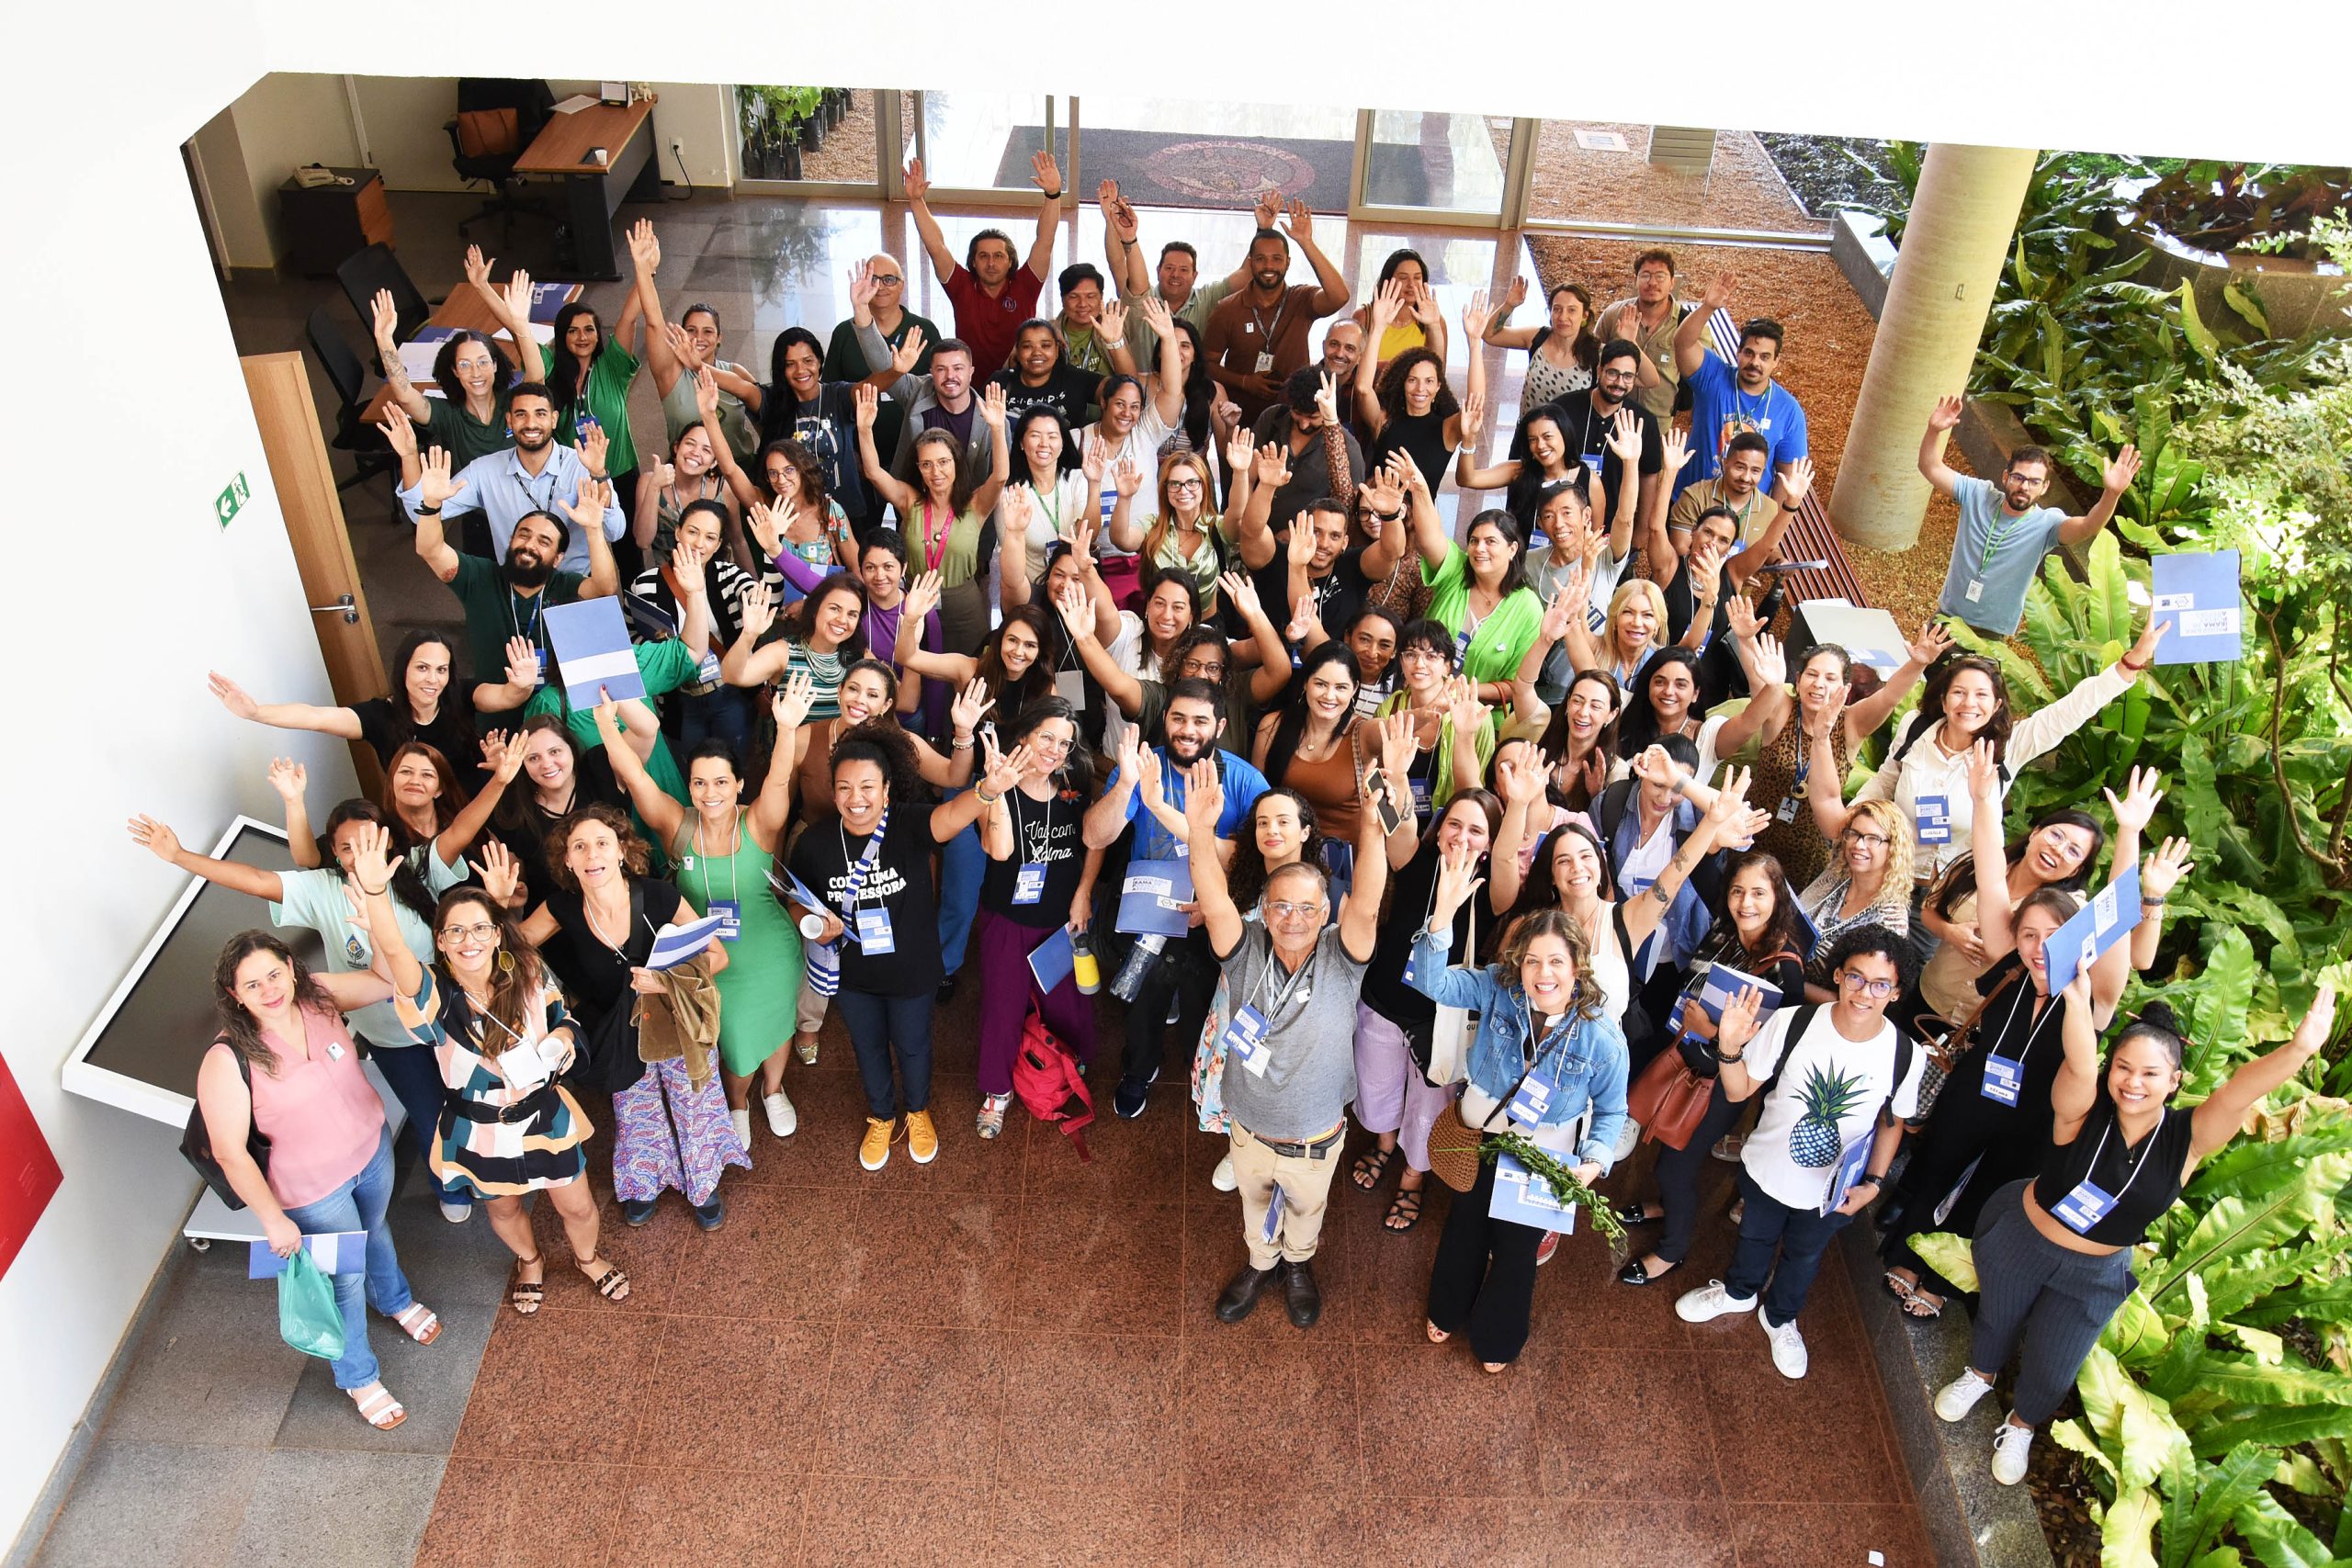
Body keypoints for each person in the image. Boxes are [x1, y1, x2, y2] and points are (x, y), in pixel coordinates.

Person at [1936, 975, 2334, 1487]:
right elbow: (2080, 1061)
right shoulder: (2081, 1109)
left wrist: (2299, 1049)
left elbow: (2238, 1094)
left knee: (2057, 1362)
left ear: (2174, 1080)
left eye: (2150, 1072)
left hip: (2094, 1271)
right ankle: (1980, 1375)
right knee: (1997, 1316)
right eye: (2123, 1067)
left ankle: (2022, 1425)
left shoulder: (2186, 1140)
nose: (2133, 1081)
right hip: (2024, 1239)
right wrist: (2078, 1003)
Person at [1878, 756, 2177, 1319]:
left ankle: (1946, 1276)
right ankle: (1904, 1250)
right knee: (1937, 1164)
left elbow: (2116, 924)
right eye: (2030, 934)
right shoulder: (2010, 962)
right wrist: (1984, 799)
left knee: (1993, 1192)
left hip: (2040, 1112)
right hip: (1976, 1087)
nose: (2041, 946)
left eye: (2056, 936)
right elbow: (1992, 878)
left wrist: (2130, 835)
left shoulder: (2095, 992)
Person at [131, 772, 477, 1222]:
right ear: (333, 851)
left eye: (368, 842)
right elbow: (255, 879)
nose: (358, 855)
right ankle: (452, 1188)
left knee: (472, 1098)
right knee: (432, 1116)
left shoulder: (412, 868)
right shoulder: (322, 889)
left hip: (446, 1015)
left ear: (387, 841)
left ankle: (490, 1172)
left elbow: (461, 831)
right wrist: (179, 856)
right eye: (347, 847)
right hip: (391, 1034)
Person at [355, 833, 616, 1319]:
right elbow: (396, 955)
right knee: (503, 1208)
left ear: (497, 934)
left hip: (543, 1116)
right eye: (455, 931)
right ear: (440, 941)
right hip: (479, 1129)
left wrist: (561, 1040)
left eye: (480, 928)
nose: (469, 940)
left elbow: (565, 1018)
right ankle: (531, 1261)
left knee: (577, 1205)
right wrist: (375, 897)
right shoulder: (433, 994)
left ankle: (588, 1258)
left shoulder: (529, 969)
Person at [194, 929, 438, 1429]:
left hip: (371, 1153)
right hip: (311, 1193)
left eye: (274, 974)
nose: (269, 990)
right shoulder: (227, 1059)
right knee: (343, 1279)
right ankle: (358, 1376)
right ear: (234, 995)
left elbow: (385, 980)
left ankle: (394, 1300)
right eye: (252, 985)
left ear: (290, 965)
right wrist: (272, 1220)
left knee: (377, 1231)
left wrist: (372, 923)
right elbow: (229, 1151)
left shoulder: (319, 996)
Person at [1182, 749, 1392, 1329]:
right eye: (1282, 907)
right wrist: (1200, 830)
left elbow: (1369, 903)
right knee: (1254, 1208)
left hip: (1315, 1136)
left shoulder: (1342, 959)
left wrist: (1374, 827)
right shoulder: (1243, 952)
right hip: (1247, 1126)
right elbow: (1214, 894)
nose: (1294, 917)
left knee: (1307, 1211)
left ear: (1325, 910)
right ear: (1266, 913)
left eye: (1307, 907)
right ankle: (1259, 1262)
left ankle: (1298, 1264)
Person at [1808, 615, 2170, 937]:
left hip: (1943, 899)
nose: (1970, 703)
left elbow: (2070, 711)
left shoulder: (2008, 746)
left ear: (1997, 705)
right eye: (1960, 693)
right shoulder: (1916, 729)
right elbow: (1886, 780)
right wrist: (1851, 823)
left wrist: (2131, 662)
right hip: (1884, 878)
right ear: (1945, 698)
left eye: (1982, 695)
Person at [1675, 924, 1926, 1380]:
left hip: (1832, 1192)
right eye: (1855, 977)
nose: (1864, 992)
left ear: (1896, 992)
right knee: (1755, 1235)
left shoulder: (1905, 1055)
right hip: (1768, 1167)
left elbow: (1892, 1123)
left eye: (1880, 984)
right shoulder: (1797, 1022)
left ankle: (1781, 1316)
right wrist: (1729, 1048)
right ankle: (1739, 1291)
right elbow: (1739, 1092)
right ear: (1838, 976)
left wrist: (1872, 1183)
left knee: (1805, 1254)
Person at [1411, 849, 1630, 1369]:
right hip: (1479, 1136)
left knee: (1516, 1250)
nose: (1543, 974)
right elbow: (1430, 982)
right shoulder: (1496, 988)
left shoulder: (1602, 1037)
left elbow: (1612, 1111)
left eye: (1556, 962)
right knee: (1465, 1226)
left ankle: (1498, 1339)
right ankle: (1447, 1307)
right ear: (1519, 963)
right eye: (1533, 961)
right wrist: (1441, 919)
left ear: (1577, 966)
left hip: (1543, 1157)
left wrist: (1594, 1162)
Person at [593, 675, 816, 1149]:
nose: (710, 791)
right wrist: (608, 730)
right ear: (689, 786)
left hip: (770, 951)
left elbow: (780, 778)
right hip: (710, 958)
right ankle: (738, 1102)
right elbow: (635, 778)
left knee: (777, 1024)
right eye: (699, 782)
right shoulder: (678, 823)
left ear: (738, 784)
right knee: (730, 1036)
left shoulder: (759, 820)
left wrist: (788, 727)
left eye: (721, 781)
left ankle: (774, 1090)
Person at [784, 735, 1022, 1170]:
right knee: (868, 1048)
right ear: (833, 790)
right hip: (853, 977)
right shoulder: (815, 843)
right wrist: (811, 925)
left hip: (912, 972)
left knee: (913, 1047)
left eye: (867, 787)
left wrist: (988, 790)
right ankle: (881, 1115)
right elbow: (795, 898)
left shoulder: (908, 824)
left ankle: (917, 1110)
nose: (856, 799)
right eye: (844, 787)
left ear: (887, 789)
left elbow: (951, 816)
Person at [514, 804, 744, 1227]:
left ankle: (704, 1183)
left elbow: (718, 956)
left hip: (675, 1023)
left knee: (694, 1104)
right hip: (619, 1030)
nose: (591, 855)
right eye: (579, 847)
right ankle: (644, 1181)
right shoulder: (562, 907)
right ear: (567, 859)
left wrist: (666, 982)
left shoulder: (658, 895)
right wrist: (499, 905)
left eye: (601, 843)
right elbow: (513, 948)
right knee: (635, 1108)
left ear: (621, 850)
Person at [1613, 851, 1812, 1285]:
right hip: (1686, 1060)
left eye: (1759, 893)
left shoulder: (1784, 968)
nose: (1747, 903)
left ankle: (1672, 1250)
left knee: (1675, 1166)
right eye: (1738, 891)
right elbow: (1702, 866)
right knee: (1666, 1147)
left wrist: (1712, 1031)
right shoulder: (1727, 930)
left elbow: (1779, 1042)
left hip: (1722, 1082)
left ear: (1778, 899)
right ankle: (1666, 1204)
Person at [1084, 680, 1272, 1121]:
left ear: (1220, 725)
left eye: (1200, 721)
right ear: (1164, 720)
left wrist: (1214, 903)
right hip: (1150, 906)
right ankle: (1139, 1068)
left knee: (1202, 1001)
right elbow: (1096, 834)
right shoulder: (1141, 766)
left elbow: (1258, 858)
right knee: (1145, 995)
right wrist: (1126, 782)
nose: (1188, 730)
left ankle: (1200, 1069)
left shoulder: (1244, 778)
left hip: (1216, 912)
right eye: (1178, 718)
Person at [1355, 743, 1511, 1232]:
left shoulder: (1493, 887)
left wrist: (1521, 802)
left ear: (1490, 843)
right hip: (1383, 1001)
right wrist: (1393, 776)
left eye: (1476, 830)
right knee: (1377, 1086)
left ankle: (1413, 1175)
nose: (1462, 837)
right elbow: (1390, 818)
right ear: (1440, 827)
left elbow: (1507, 861)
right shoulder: (1418, 860)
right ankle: (1383, 1144)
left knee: (1429, 1103)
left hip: (1440, 1019)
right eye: (1454, 824)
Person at [393, 449, 619, 716]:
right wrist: (431, 505)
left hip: (555, 712)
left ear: (558, 559)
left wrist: (594, 530)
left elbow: (605, 588)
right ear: (511, 541)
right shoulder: (479, 577)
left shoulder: (564, 584)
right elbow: (430, 550)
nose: (529, 545)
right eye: (523, 535)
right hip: (496, 710)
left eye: (543, 542)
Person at [971, 699, 1104, 1136]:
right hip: (1007, 919)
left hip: (1059, 923)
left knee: (1068, 1003)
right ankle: (997, 1090)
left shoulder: (1074, 786)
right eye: (1047, 736)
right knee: (1002, 1008)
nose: (1055, 749)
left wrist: (1083, 893)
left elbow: (1096, 840)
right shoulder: (995, 786)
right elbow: (1001, 851)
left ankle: (1068, 1065)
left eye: (1064, 743)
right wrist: (999, 790)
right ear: (1024, 736)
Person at [1737, 629, 1951, 889]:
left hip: (1808, 853)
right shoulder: (1782, 707)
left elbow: (1888, 697)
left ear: (1845, 688)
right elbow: (1757, 680)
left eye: (1830, 678)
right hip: (1754, 834)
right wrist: (1745, 639)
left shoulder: (1850, 723)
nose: (1819, 685)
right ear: (1798, 678)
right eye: (1812, 675)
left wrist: (1919, 662)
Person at [1919, 395, 2143, 637]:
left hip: (1990, 634)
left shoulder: (2047, 524)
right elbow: (1930, 467)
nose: (2025, 487)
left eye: (2034, 481)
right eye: (2019, 478)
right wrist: (1933, 431)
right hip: (1946, 618)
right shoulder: (1978, 494)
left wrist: (2112, 493)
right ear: (2006, 477)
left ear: (2044, 487)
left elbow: (2088, 527)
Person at [390, 386, 628, 581]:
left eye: (540, 414)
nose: (531, 423)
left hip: (576, 584)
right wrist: (409, 456)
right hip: (517, 586)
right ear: (509, 421)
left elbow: (615, 532)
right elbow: (418, 514)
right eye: (521, 414)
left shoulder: (581, 465)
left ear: (554, 420)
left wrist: (598, 474)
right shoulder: (485, 470)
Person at [854, 381, 1010, 655]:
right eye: (926, 464)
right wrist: (865, 430)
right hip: (916, 606)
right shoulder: (909, 501)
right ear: (919, 469)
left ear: (956, 464)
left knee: (970, 673)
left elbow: (999, 476)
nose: (935, 472)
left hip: (965, 606)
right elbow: (874, 473)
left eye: (943, 462)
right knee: (920, 677)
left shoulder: (975, 504)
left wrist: (997, 429)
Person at [209, 632, 479, 772]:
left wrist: (521, 682)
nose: (432, 679)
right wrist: (256, 713)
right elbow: (317, 717)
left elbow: (504, 696)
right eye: (422, 668)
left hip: (472, 803)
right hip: (418, 815)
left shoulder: (459, 694)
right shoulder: (379, 716)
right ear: (403, 669)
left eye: (441, 670)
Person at [904, 152, 1062, 375]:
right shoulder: (962, 287)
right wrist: (916, 201)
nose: (991, 263)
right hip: (971, 387)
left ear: (1010, 262)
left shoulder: (1025, 285)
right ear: (973, 263)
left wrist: (1053, 194)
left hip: (1020, 382)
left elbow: (1045, 240)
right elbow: (936, 247)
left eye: (999, 256)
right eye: (983, 256)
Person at [627, 517, 771, 753]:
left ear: (718, 544)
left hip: (728, 693)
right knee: (690, 770)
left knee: (734, 767)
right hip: (680, 697)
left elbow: (760, 597)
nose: (699, 543)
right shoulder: (645, 585)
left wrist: (758, 595)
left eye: (710, 537)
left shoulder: (729, 576)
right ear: (677, 532)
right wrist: (667, 652)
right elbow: (633, 638)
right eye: (692, 532)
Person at [1099, 179, 1274, 370]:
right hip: (1144, 391)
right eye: (1169, 268)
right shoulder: (1143, 299)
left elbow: (1245, 274)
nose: (1175, 275)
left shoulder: (1207, 297)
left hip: (1192, 393)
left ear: (1195, 276)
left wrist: (1263, 230)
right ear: (1158, 271)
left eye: (1184, 270)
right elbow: (1117, 264)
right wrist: (1111, 221)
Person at [1202, 202, 1350, 426]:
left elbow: (1340, 296)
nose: (1268, 266)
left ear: (1288, 263)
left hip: (1295, 418)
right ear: (1250, 263)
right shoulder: (1227, 309)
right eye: (1260, 259)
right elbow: (1206, 363)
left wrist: (1306, 242)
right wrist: (1244, 382)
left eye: (1277, 259)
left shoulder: (1302, 300)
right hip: (1241, 418)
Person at [1671, 272, 1810, 506]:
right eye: (1749, 353)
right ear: (1738, 352)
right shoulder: (1714, 377)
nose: (1755, 362)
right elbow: (1682, 344)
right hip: (1692, 500)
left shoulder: (1788, 410)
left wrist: (1767, 522)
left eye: (1765, 357)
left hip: (1744, 513)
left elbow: (1787, 474)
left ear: (1776, 361)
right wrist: (1708, 307)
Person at [755, 270, 881, 525]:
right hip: (797, 518)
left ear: (820, 361)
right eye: (790, 364)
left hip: (847, 514)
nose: (801, 370)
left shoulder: (837, 394)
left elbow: (869, 387)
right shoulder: (775, 401)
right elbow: (741, 387)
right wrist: (699, 364)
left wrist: (898, 370)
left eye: (808, 361)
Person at [823, 254, 938, 525]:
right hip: (859, 452)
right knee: (863, 532)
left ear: (902, 285)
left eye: (890, 279)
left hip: (914, 452)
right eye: (874, 279)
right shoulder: (844, 333)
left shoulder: (923, 330)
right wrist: (848, 452)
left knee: (913, 531)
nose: (882, 286)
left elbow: (937, 391)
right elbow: (830, 398)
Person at [366, 271, 515, 468]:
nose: (476, 372)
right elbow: (406, 397)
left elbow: (537, 375)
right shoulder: (449, 415)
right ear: (454, 371)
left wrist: (517, 324)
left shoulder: (514, 402)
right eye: (464, 365)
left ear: (495, 365)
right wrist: (385, 341)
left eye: (483, 362)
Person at [1250, 644, 1367, 887]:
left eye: (1341, 687)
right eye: (1321, 684)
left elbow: (1389, 729)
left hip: (1342, 872)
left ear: (1354, 689)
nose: (1329, 696)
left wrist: (1427, 714)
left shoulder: (1362, 733)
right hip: (1281, 862)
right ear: (1305, 683)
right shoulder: (1272, 727)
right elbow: (1258, 801)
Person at [491, 713, 633, 907]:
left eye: (555, 751)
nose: (547, 764)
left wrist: (606, 717)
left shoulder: (599, 769)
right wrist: (510, 892)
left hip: (623, 902)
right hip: (554, 917)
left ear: (571, 749)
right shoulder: (513, 808)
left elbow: (647, 731)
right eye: (533, 758)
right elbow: (515, 878)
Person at [1354, 288, 1473, 497]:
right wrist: (1378, 328)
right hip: (1376, 521)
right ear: (1402, 383)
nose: (1420, 389)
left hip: (1419, 525)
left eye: (1428, 382)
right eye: (1412, 380)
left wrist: (1474, 341)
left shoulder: (1446, 429)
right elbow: (1363, 389)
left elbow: (1476, 403)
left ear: (1438, 387)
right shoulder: (1384, 421)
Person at [1795, 799, 1915, 996]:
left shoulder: (1890, 921)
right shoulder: (1838, 873)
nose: (1859, 844)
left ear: (1893, 848)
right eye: (1855, 834)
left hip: (1815, 1007)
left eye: (1873, 838)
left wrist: (1788, 982)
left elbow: (1856, 999)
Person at [721, 573, 867, 724]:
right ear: (815, 609)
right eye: (835, 609)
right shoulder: (784, 652)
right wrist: (748, 635)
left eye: (852, 614)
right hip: (792, 746)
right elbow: (732, 676)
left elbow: (889, 694)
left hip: (846, 747)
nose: (842, 619)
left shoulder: (859, 655)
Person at [645, 296, 762, 467]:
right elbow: (653, 322)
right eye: (691, 330)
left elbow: (766, 415)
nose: (699, 338)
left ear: (719, 337)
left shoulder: (735, 372)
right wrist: (647, 272)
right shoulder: (671, 375)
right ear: (682, 334)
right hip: (689, 469)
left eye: (708, 331)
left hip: (741, 470)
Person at [1595, 249, 1687, 424]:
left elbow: (1700, 375)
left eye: (1660, 276)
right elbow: (1593, 358)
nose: (1652, 282)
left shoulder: (1684, 324)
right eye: (1645, 275)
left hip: (1659, 423)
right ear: (1635, 280)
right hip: (1612, 416)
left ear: (1672, 282)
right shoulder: (1614, 315)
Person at [1483, 276, 1599, 411]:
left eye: (1571, 310)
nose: (1562, 317)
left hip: (1570, 432)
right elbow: (1489, 335)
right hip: (1528, 430)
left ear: (1584, 315)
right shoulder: (1537, 337)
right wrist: (1509, 305)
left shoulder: (1597, 354)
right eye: (1557, 309)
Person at [1348, 247, 1448, 373]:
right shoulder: (1364, 316)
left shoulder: (1435, 321)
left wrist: (1433, 326)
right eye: (1403, 277)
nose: (1411, 284)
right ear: (1388, 280)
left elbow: (1438, 374)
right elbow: (1351, 367)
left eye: (1417, 278)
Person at [992, 317, 1102, 429]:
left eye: (1045, 346)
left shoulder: (1075, 378)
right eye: (1027, 346)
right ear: (1018, 352)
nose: (1037, 352)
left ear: (1056, 350)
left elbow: (1118, 392)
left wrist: (1114, 343)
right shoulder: (999, 382)